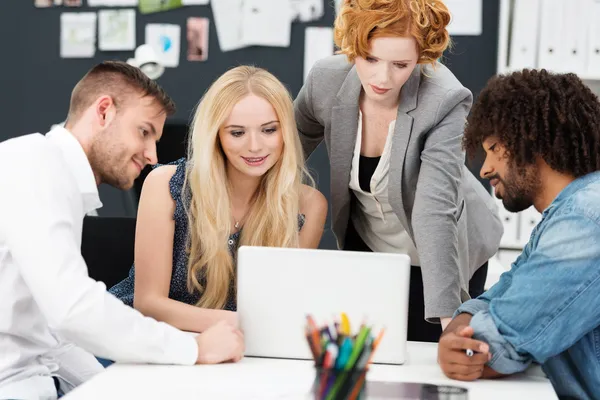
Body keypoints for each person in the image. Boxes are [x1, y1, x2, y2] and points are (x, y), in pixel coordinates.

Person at [0, 61, 244, 399]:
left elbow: (55, 339)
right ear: (103, 112)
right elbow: (73, 310)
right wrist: (192, 349)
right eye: (144, 132)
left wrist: (115, 387)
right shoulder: (34, 166)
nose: (152, 156)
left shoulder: (55, 178)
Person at [294, 0, 503, 342]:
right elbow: (286, 151)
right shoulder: (325, 81)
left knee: (425, 357)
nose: (382, 78)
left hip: (443, 246)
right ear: (353, 45)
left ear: (421, 56)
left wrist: (450, 323)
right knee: (372, 351)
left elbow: (433, 209)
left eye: (400, 64)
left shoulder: (445, 99)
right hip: (372, 244)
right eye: (371, 58)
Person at [109, 66, 328, 332]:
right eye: (237, 133)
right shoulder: (166, 185)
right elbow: (149, 304)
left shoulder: (308, 206)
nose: (255, 146)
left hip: (236, 349)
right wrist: (249, 325)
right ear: (216, 136)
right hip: (140, 337)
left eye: (269, 130)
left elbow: (280, 305)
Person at [437, 69, 600, 400]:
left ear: (531, 141)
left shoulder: (585, 220)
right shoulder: (564, 217)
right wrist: (465, 326)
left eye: (494, 148)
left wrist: (463, 345)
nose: (484, 169)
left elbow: (494, 348)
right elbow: (494, 300)